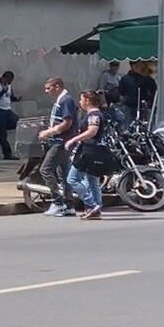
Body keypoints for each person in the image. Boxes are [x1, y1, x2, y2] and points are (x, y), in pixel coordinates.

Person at [35, 77, 80, 217]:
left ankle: (57, 202)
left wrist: (49, 132)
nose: (46, 91)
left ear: (57, 86)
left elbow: (67, 123)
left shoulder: (65, 100)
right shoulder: (62, 100)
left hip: (61, 141)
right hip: (62, 141)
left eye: (48, 88)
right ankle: (69, 204)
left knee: (45, 170)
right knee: (64, 173)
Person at [65, 91, 109, 221]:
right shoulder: (93, 114)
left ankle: (91, 203)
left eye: (81, 99)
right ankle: (96, 207)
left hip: (88, 152)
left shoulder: (94, 115)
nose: (80, 102)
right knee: (92, 180)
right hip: (92, 151)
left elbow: (92, 131)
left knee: (72, 179)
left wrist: (74, 140)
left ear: (87, 100)